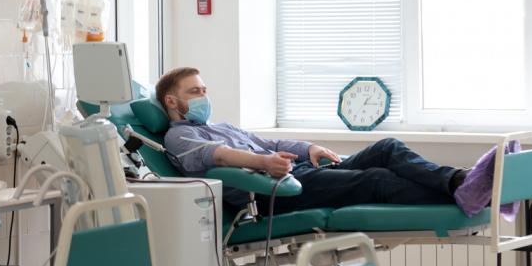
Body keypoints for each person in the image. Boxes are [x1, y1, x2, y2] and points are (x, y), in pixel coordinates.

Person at [158, 67, 502, 216]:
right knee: (377, 180)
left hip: (298, 174)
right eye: (195, 92)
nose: (204, 96)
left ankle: (460, 182)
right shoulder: (179, 136)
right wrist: (264, 163)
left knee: (387, 147)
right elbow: (218, 156)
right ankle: (477, 195)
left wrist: (308, 148)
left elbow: (267, 141)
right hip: (273, 194)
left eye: (204, 89)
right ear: (172, 101)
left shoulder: (222, 125)